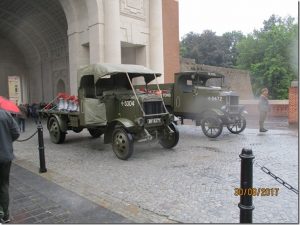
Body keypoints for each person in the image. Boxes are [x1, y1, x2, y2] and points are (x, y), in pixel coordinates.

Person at [0, 109, 20, 223]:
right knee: (3, 185)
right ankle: (6, 215)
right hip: (6, 156)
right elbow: (16, 133)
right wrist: (7, 142)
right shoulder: (5, 114)